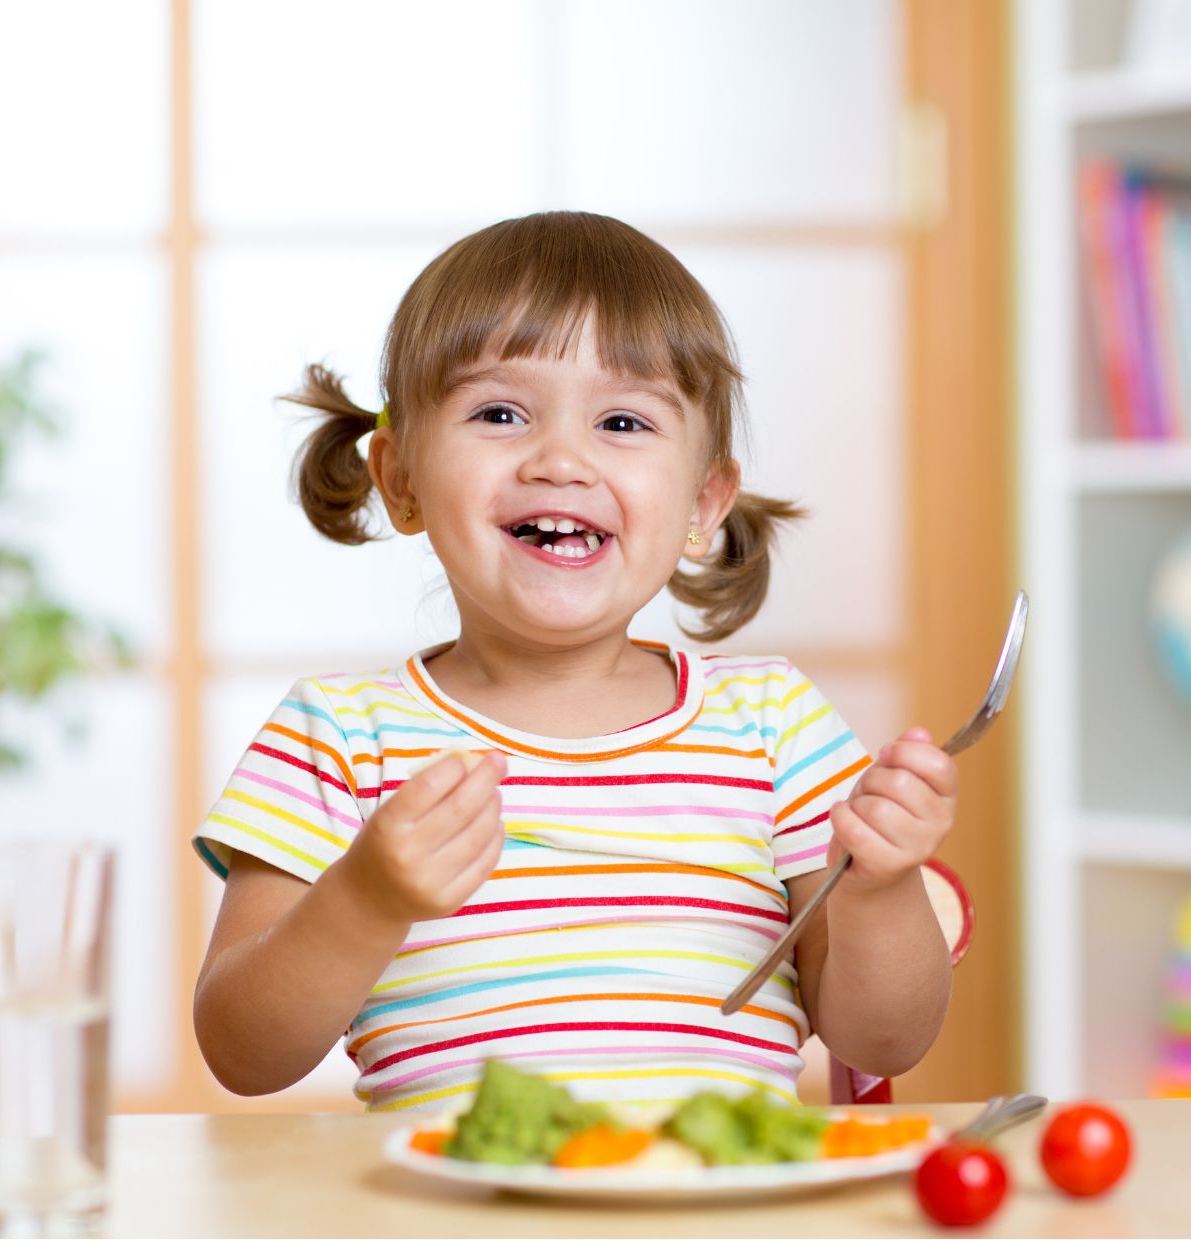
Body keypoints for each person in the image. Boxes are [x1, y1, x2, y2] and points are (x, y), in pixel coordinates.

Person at [192, 211, 957, 1113]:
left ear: (706, 500)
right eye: (500, 413)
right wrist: (362, 899)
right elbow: (242, 1052)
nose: (561, 460)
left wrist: (880, 889)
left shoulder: (773, 724)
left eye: (624, 421)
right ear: (399, 480)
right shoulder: (340, 734)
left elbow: (883, 1039)